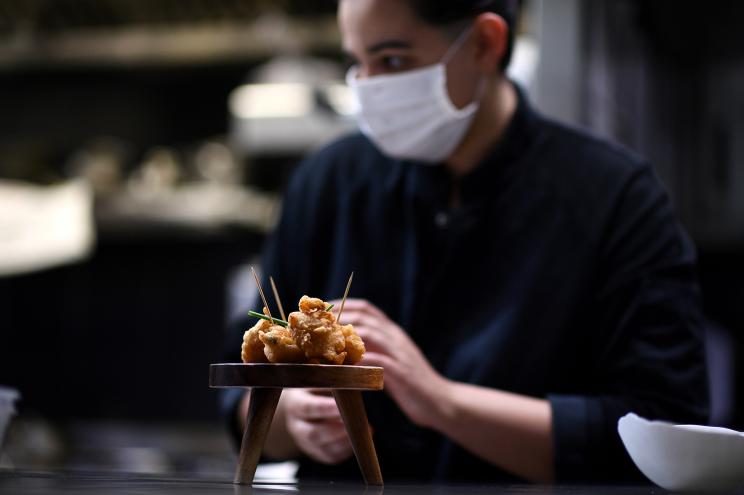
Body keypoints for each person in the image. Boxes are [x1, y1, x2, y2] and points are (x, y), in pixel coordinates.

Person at [220, 0, 708, 484]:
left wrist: (441, 401)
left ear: (484, 43)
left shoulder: (615, 198)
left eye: (392, 61)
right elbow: (241, 397)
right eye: (356, 63)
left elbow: (662, 436)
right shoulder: (326, 183)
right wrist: (293, 420)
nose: (368, 89)